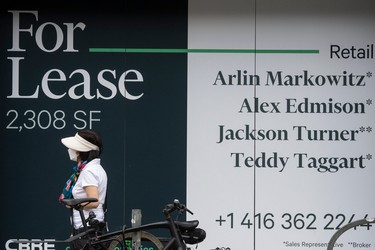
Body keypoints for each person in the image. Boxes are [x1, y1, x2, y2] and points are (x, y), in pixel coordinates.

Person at [58, 129, 108, 249]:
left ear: (81, 151)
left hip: (86, 232)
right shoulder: (96, 168)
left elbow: (94, 201)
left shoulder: (88, 171)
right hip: (91, 229)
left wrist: (74, 204)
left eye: (74, 148)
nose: (70, 150)